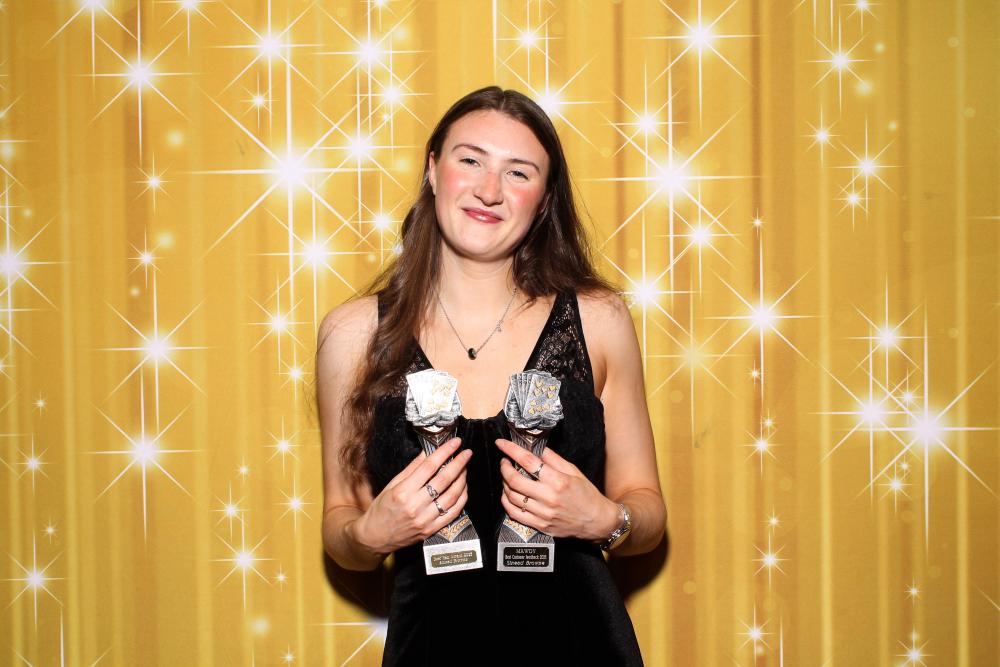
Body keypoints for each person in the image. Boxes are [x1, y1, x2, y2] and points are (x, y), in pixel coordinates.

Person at [317, 86, 665, 666]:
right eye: (471, 160)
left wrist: (607, 519)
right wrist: (369, 535)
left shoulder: (599, 319)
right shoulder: (352, 334)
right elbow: (340, 520)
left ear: (544, 198)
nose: (489, 190)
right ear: (433, 169)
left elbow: (647, 510)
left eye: (518, 172)